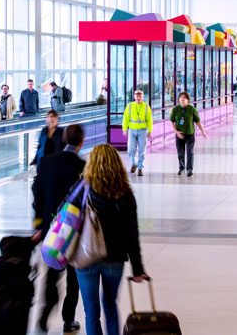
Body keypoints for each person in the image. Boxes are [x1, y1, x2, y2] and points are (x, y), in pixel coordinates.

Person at [75, 144, 148, 335]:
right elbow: (132, 235)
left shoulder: (82, 189)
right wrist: (138, 269)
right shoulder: (126, 195)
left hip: (86, 256)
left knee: (91, 312)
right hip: (114, 259)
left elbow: (66, 218)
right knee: (110, 304)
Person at [32, 124, 86, 333]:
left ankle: (44, 315)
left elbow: (37, 194)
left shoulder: (46, 163)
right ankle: (68, 319)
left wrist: (38, 224)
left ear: (64, 139)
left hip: (51, 228)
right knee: (74, 277)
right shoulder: (83, 167)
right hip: (74, 231)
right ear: (81, 142)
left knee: (52, 274)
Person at [170, 91, 208, 177]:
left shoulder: (192, 109)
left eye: (184, 98)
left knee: (190, 152)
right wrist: (176, 132)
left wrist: (203, 132)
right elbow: (172, 121)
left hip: (190, 134)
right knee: (180, 153)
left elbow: (198, 121)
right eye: (181, 97)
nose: (182, 99)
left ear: (187, 100)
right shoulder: (175, 109)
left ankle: (189, 169)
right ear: (179, 99)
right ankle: (181, 167)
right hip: (179, 135)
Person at [122, 90, 153, 176]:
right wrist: (125, 129)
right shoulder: (130, 106)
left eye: (140, 96)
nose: (138, 98)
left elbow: (149, 120)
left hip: (143, 131)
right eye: (137, 96)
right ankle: (133, 164)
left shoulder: (146, 107)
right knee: (131, 149)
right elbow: (125, 118)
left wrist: (150, 131)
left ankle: (140, 168)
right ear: (134, 97)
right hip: (132, 130)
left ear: (143, 97)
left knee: (141, 150)